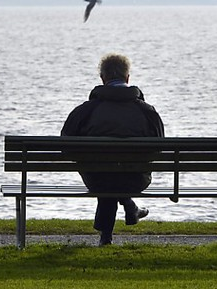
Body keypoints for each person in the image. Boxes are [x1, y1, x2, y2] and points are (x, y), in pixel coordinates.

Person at [61, 53, 165, 246]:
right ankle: (128, 207)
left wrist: (88, 159)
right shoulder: (147, 111)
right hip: (136, 179)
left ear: (103, 78)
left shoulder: (85, 111)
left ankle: (107, 235)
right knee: (116, 173)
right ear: (127, 78)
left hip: (96, 179)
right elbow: (159, 148)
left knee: (106, 173)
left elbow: (65, 146)